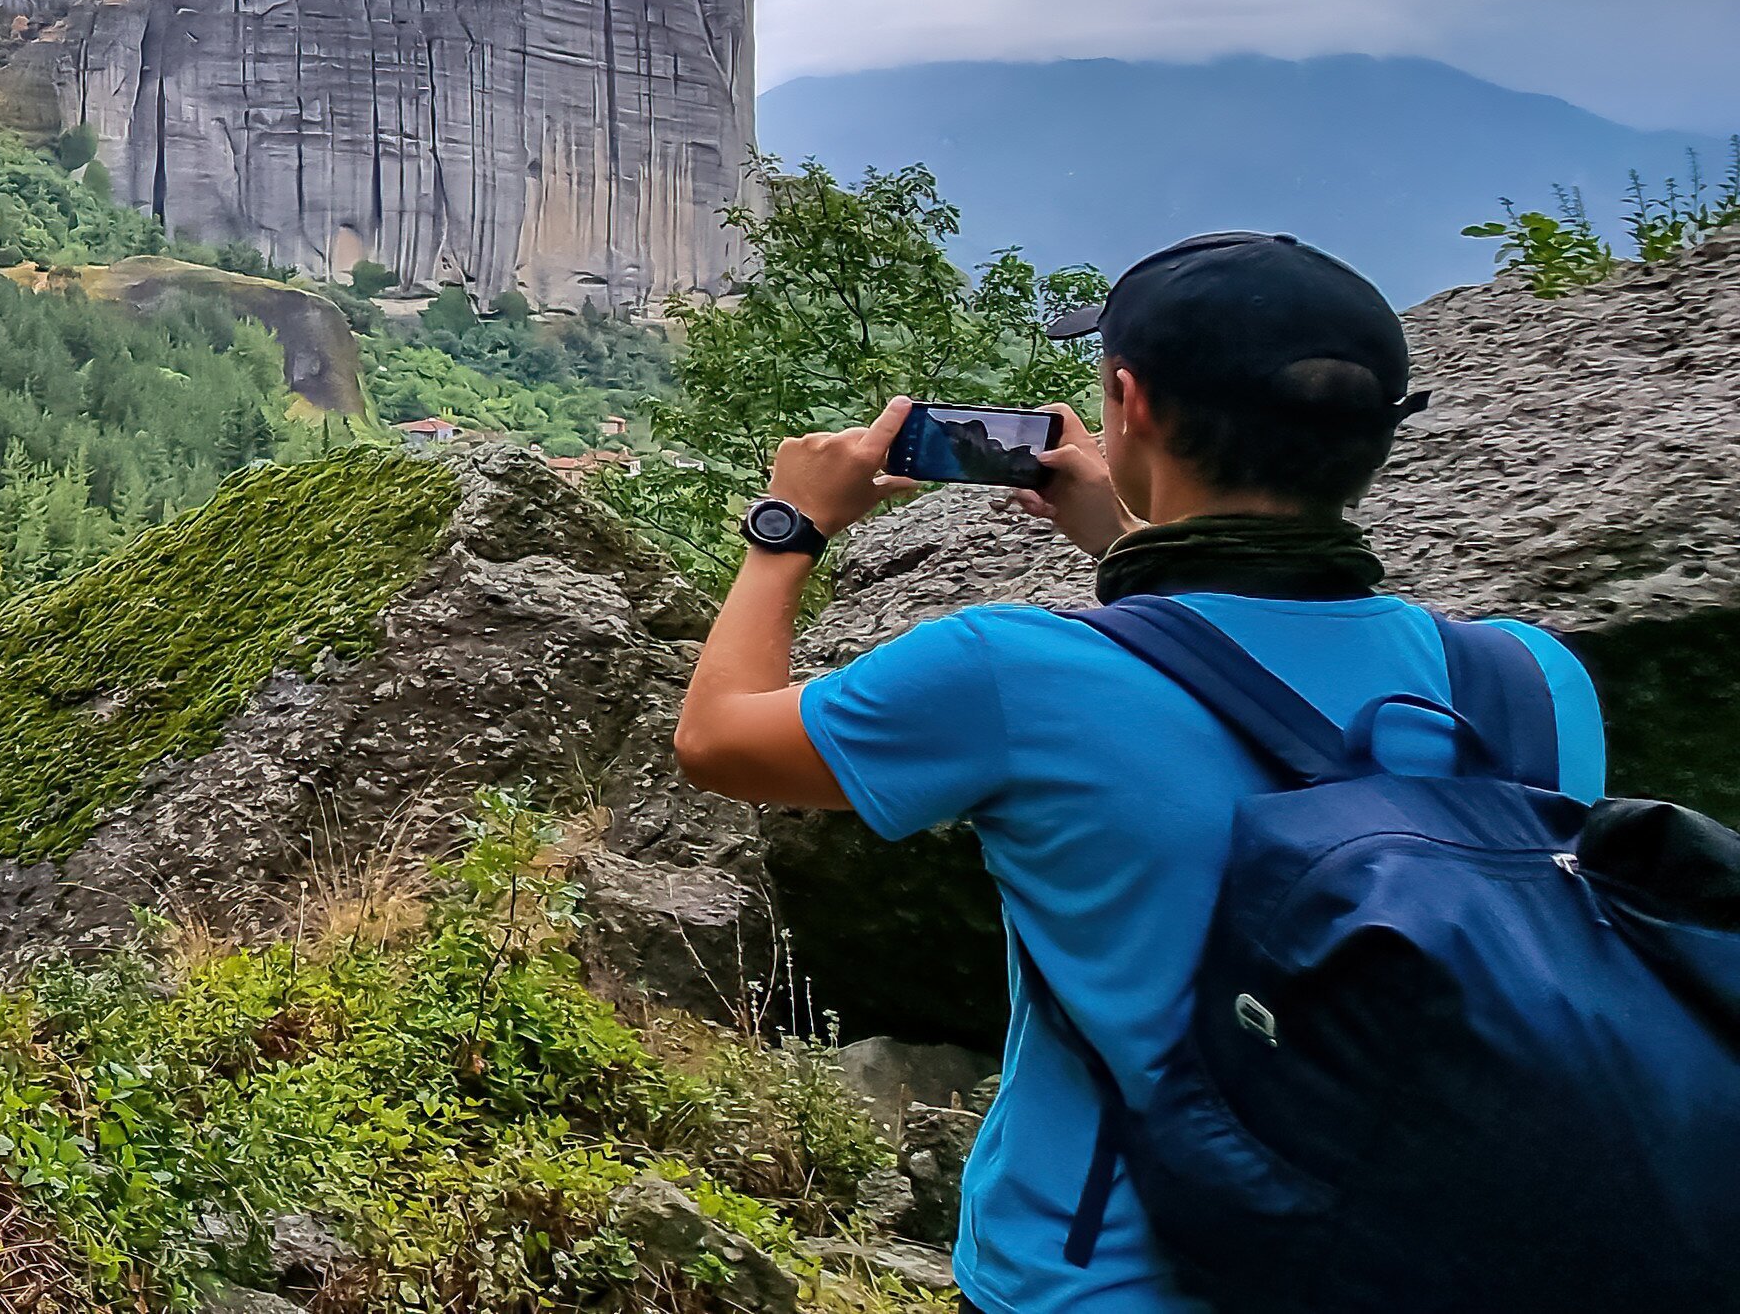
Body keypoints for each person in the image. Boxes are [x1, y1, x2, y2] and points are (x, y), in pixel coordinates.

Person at [666, 232, 1607, 1314]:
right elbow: (1252, 666)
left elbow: (719, 739)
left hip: (1108, 1281)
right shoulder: (1532, 684)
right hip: (1437, 1269)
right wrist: (1126, 534)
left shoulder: (1007, 673)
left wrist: (788, 527)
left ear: (1130, 402)